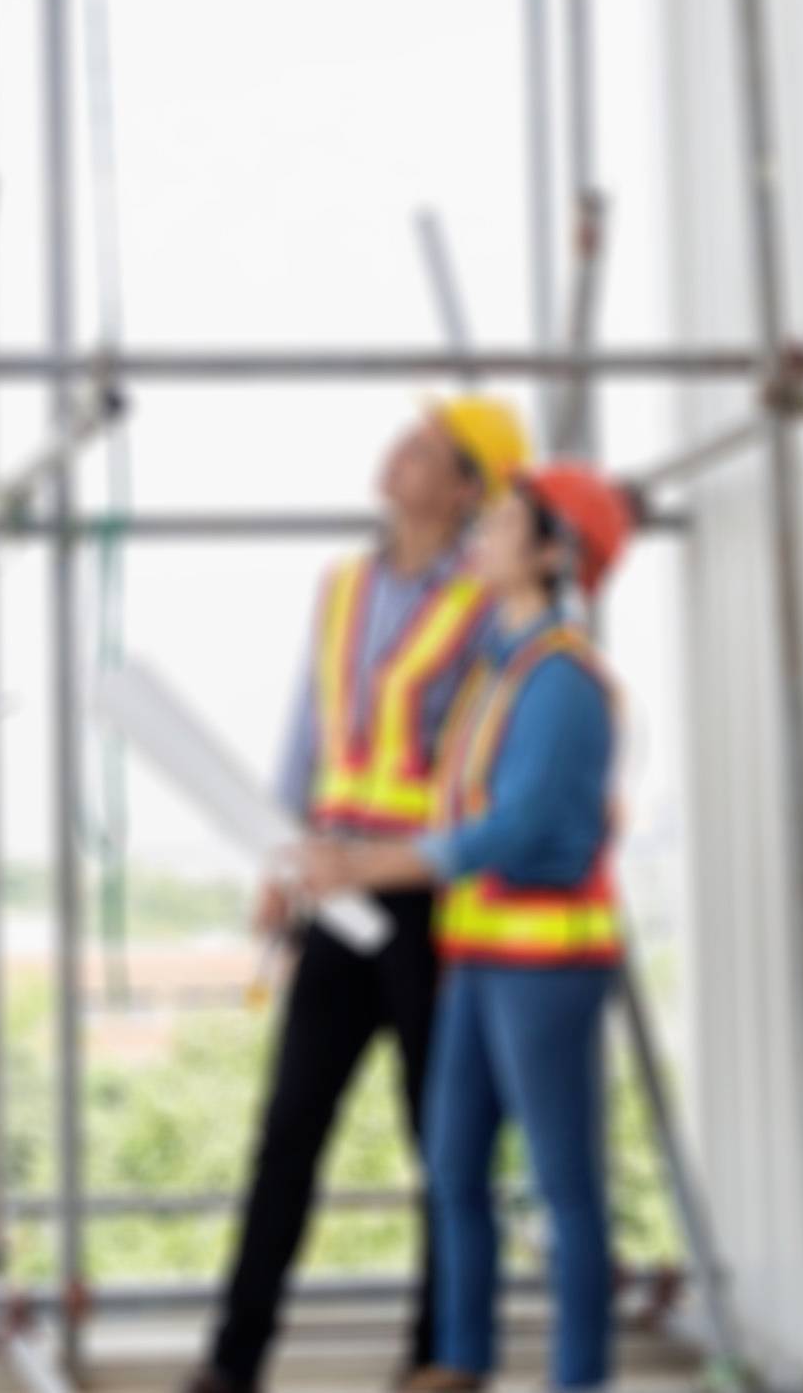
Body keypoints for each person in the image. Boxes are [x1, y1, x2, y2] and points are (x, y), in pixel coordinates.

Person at [186, 394, 530, 1393]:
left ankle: (438, 1360)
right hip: (333, 894)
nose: (399, 454)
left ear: (468, 488)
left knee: (444, 1147)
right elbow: (308, 731)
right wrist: (276, 861)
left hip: (430, 903)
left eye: (427, 450)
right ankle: (230, 1364)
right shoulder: (339, 588)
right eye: (406, 439)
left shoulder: (483, 605)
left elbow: (496, 752)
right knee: (287, 1133)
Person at [297, 460, 635, 1393]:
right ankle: (461, 1359)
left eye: (498, 525)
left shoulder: (561, 681)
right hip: (479, 959)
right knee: (451, 1167)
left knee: (563, 1186)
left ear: (550, 552)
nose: (477, 538)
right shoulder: (503, 670)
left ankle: (578, 1377)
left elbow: (515, 827)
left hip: (543, 967)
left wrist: (367, 864)